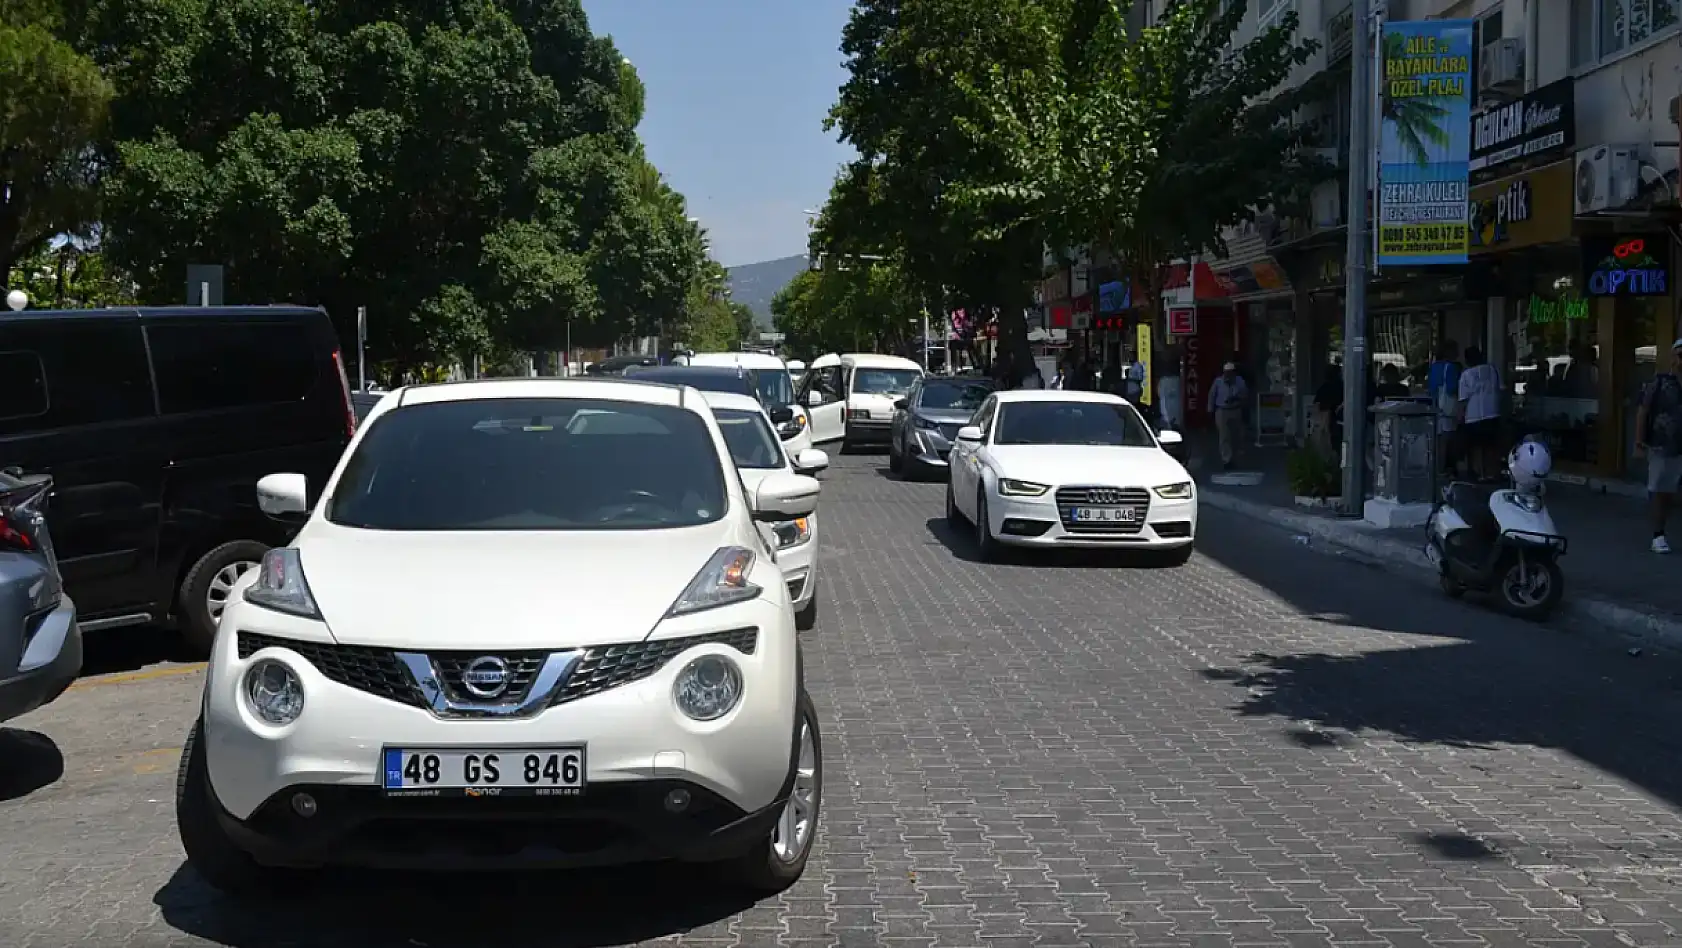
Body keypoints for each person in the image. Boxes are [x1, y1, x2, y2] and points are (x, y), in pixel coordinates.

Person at [1635, 339, 1682, 553]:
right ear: (1673, 358)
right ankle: (1658, 535)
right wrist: (1639, 442)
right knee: (1660, 491)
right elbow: (1643, 410)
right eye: (1680, 356)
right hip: (1661, 446)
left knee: (1670, 492)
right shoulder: (1660, 382)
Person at [1456, 346, 1501, 480]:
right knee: (1491, 446)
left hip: (1473, 415)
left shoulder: (1466, 375)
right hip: (1492, 412)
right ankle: (1491, 473)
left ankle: (1478, 472)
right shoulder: (1492, 370)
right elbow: (1501, 389)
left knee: (1475, 447)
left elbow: (1463, 400)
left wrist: (1460, 417)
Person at [1427, 340, 1462, 477]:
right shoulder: (1452, 368)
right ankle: (1445, 468)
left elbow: (1431, 388)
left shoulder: (1434, 367)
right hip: (1448, 408)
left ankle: (1437, 468)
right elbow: (1453, 389)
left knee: (1438, 438)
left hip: (1436, 406)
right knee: (1448, 440)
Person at [1207, 361, 1249, 471]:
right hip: (1222, 411)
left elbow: (1245, 395)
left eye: (1230, 373)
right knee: (1224, 436)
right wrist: (1210, 410)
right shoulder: (1218, 382)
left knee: (1236, 435)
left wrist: (1237, 399)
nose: (1228, 375)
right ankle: (1227, 460)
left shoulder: (1240, 382)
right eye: (1226, 373)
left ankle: (1235, 457)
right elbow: (1212, 395)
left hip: (1236, 410)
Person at [1312, 365, 1344, 461]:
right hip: (1339, 421)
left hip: (1326, 420)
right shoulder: (1342, 387)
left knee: (1327, 446)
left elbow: (1317, 404)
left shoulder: (1324, 388)